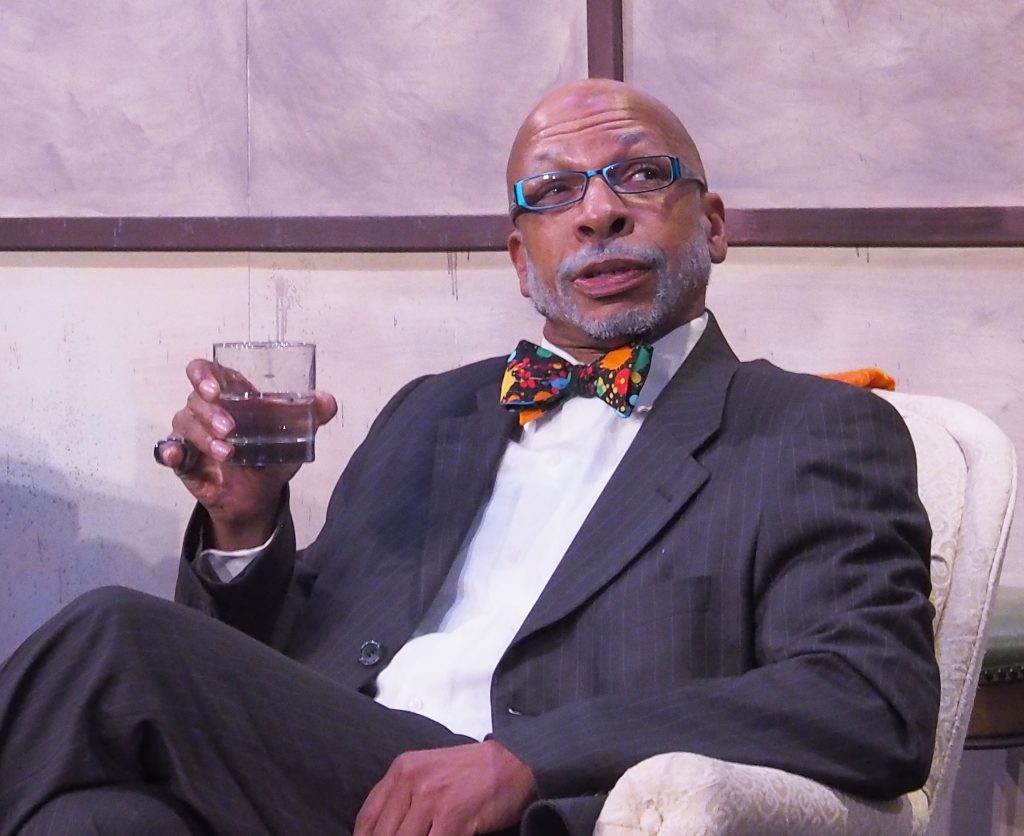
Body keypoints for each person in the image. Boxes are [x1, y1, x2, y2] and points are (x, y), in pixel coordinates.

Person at [0, 78, 939, 836]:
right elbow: (283, 663)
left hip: (532, 809)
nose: (600, 213)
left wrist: (528, 757)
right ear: (520, 257)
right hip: (337, 793)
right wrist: (243, 526)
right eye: (555, 191)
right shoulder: (432, 412)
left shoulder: (808, 426)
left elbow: (867, 700)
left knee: (113, 641)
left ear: (716, 224)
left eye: (643, 176)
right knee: (93, 816)